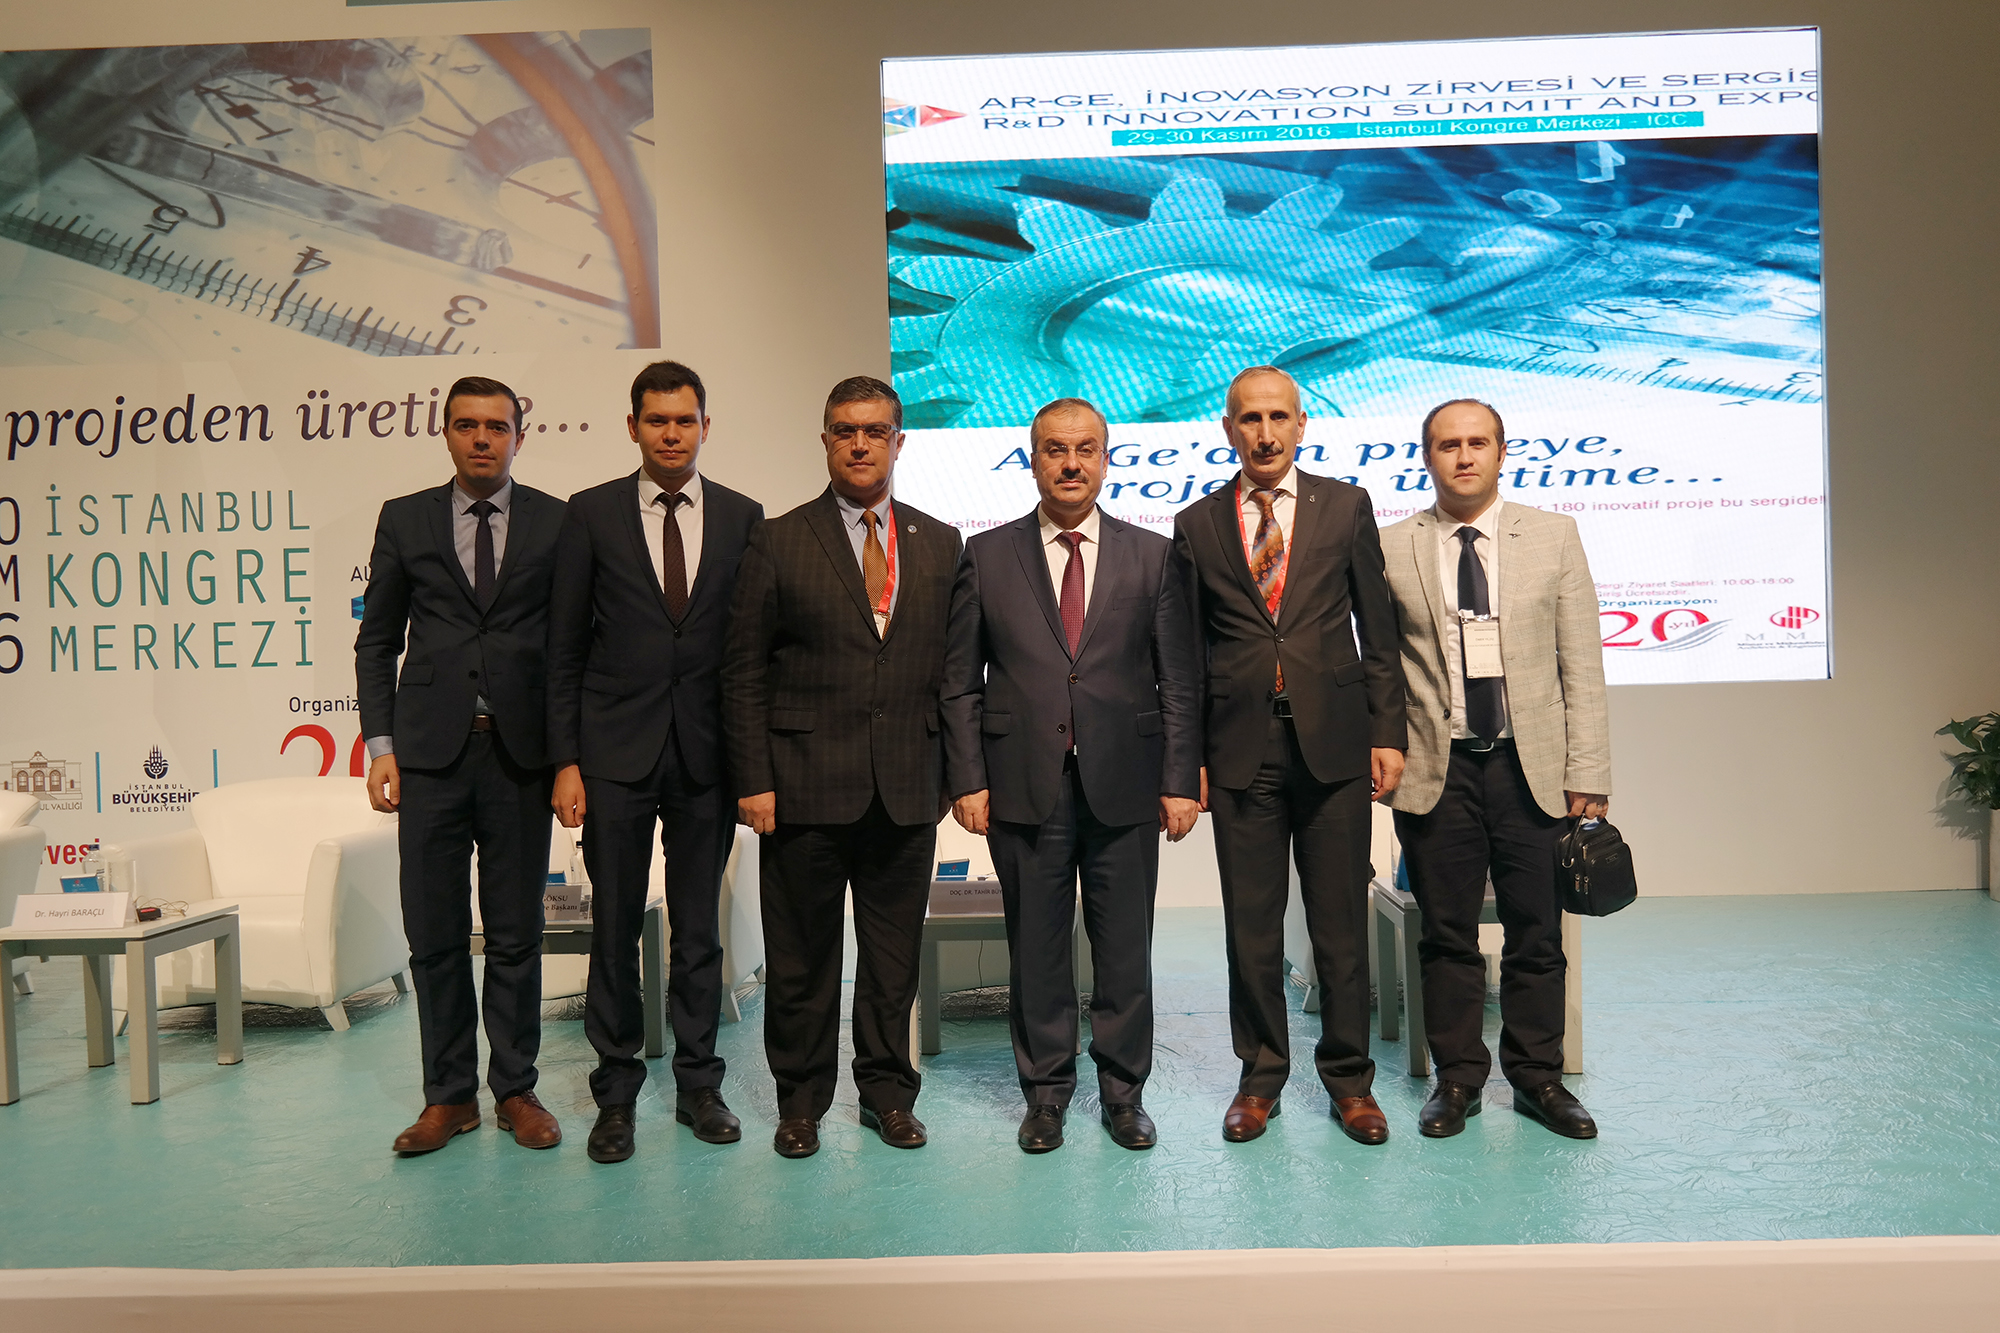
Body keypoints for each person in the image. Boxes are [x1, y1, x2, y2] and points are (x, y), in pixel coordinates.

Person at [942, 397, 1202, 1154]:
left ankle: (1124, 1094)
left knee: (1125, 949)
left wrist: (1179, 778)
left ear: (1106, 459)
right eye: (1055, 449)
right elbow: (960, 682)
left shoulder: (1152, 555)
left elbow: (1179, 679)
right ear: (1033, 460)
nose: (1070, 463)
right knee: (1037, 948)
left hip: (1127, 781)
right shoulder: (986, 554)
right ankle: (1046, 1093)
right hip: (1022, 781)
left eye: (1085, 448)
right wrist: (967, 777)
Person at [722, 375, 963, 1159]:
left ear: (899, 441)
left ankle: (888, 1096)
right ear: (825, 440)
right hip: (801, 789)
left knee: (892, 964)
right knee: (801, 963)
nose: (860, 444)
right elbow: (743, 669)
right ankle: (800, 1103)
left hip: (907, 789)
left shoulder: (941, 541)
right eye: (844, 430)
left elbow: (954, 672)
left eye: (874, 431)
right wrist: (753, 778)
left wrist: (955, 778)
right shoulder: (778, 537)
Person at [1172, 365, 1408, 1147]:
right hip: (1240, 749)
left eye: (1279, 417)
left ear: (1302, 424)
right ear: (1228, 427)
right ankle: (1260, 1077)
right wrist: (1187, 758)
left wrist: (1387, 731)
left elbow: (1379, 630)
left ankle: (1350, 1081)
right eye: (1250, 418)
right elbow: (1186, 655)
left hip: (1335, 744)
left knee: (1340, 926)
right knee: (1252, 929)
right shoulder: (1196, 524)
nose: (1266, 433)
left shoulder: (1346, 506)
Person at [545, 361, 764, 1164]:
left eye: (685, 419)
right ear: (633, 425)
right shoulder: (589, 512)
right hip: (614, 754)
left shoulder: (743, 516)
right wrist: (566, 761)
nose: (672, 433)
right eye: (657, 419)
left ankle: (701, 1085)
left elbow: (750, 652)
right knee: (613, 928)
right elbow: (564, 647)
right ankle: (615, 1093)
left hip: (707, 755)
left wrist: (753, 764)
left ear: (706, 425)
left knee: (699, 929)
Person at [1380, 398, 1610, 1140]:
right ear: (1427, 457)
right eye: (1448, 444)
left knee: (1536, 933)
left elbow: (1582, 663)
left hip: (1531, 769)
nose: (1464, 456)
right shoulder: (1391, 545)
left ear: (1502, 452)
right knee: (1446, 934)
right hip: (1437, 769)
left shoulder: (1552, 535)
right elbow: (1378, 665)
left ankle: (1539, 1078)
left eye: (1478, 442)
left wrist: (1589, 770)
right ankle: (1457, 1079)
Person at [357, 376, 566, 1155]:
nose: (482, 438)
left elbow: (571, 648)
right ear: (445, 432)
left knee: (515, 933)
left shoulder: (557, 519)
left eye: (497, 426)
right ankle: (448, 1097)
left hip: (521, 756)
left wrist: (570, 757)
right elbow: (377, 641)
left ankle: (514, 1088)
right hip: (429, 759)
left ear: (519, 435)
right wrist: (381, 747)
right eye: (467, 425)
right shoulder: (404, 517)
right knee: (435, 934)